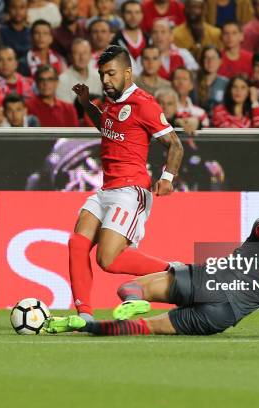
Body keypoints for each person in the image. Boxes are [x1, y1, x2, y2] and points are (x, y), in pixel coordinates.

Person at [46, 193, 259, 338]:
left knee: (130, 286)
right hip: (223, 315)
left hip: (206, 281)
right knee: (143, 328)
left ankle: (131, 302)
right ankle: (90, 327)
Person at [66, 45, 183, 321]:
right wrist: (86, 105)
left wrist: (167, 178)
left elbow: (174, 145)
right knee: (76, 244)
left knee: (107, 259)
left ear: (127, 73)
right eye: (102, 75)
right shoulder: (112, 102)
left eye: (111, 74)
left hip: (131, 191)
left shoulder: (144, 103)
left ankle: (175, 270)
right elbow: (107, 126)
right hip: (106, 189)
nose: (105, 80)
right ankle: (84, 315)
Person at [56, 38, 102, 103]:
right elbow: (67, 110)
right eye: (77, 53)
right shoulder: (61, 81)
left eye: (85, 53)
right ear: (71, 56)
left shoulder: (99, 75)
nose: (82, 57)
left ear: (90, 55)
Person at [195, 45, 228, 114]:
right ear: (201, 61)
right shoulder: (192, 82)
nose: (210, 61)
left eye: (213, 58)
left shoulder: (226, 83)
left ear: (220, 61)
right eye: (206, 58)